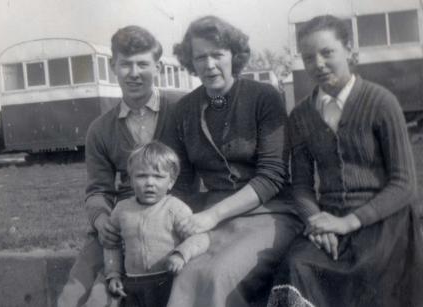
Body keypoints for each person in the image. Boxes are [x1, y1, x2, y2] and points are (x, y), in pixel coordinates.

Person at [266, 15, 423, 307]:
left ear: (350, 51)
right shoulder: (300, 116)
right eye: (309, 57)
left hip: (384, 222)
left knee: (371, 281)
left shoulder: (381, 102)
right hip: (327, 221)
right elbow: (300, 186)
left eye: (327, 52)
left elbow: (404, 185)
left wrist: (348, 222)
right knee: (296, 266)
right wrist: (317, 222)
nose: (318, 64)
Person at [165, 15, 303, 307]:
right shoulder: (184, 110)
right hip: (211, 218)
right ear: (190, 61)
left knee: (218, 274)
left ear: (234, 56)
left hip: (269, 214)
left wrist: (212, 216)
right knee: (186, 275)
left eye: (218, 54)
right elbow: (181, 183)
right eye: (200, 57)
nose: (209, 64)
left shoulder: (263, 97)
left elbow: (271, 177)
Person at [57, 25, 184, 307]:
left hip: (169, 219)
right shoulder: (100, 128)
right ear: (113, 66)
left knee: (106, 294)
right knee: (74, 293)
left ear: (158, 67)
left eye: (142, 64)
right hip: (120, 220)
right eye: (125, 64)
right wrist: (102, 222)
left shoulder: (181, 109)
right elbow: (97, 190)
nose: (134, 73)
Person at [103, 141, 210, 307]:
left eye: (158, 176)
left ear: (171, 182)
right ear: (130, 180)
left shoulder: (175, 208)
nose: (149, 183)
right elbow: (111, 243)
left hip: (168, 280)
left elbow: (201, 238)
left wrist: (181, 254)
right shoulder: (122, 210)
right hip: (133, 282)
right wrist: (113, 274)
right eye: (141, 176)